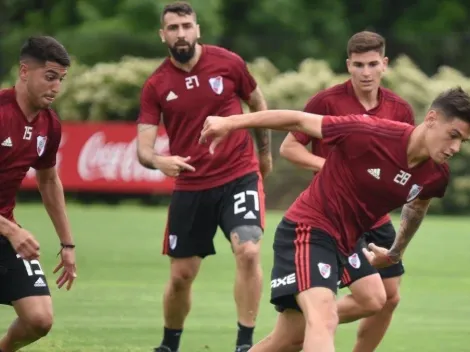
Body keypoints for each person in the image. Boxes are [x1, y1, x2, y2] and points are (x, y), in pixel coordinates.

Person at [199, 86, 470, 352]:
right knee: (324, 318)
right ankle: (317, 314)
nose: (455, 147)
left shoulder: (436, 175)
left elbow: (417, 206)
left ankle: (313, 315)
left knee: (290, 339)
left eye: (463, 141)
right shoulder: (370, 132)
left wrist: (396, 251)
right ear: (432, 119)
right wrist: (230, 122)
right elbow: (298, 120)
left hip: (345, 242)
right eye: (453, 135)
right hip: (307, 229)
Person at [136, 2, 272, 352]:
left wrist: (265, 153)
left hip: (239, 175)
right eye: (173, 28)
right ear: (162, 34)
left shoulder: (229, 63)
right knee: (181, 276)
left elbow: (258, 105)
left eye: (186, 25)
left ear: (197, 29)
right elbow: (144, 150)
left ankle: (245, 344)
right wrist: (159, 162)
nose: (180, 33)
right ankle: (169, 345)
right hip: (192, 185)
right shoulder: (156, 84)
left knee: (249, 251)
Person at [279, 31, 414, 352]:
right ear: (348, 65)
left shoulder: (400, 109)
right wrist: (330, 167)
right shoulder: (327, 102)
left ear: (384, 64)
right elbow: (288, 148)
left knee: (390, 297)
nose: (365, 73)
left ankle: (317, 324)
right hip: (335, 213)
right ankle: (312, 325)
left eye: (371, 64)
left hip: (375, 216)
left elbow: (405, 161)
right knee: (370, 298)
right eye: (358, 65)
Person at [0, 36, 77, 352]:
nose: (56, 87)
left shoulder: (50, 125)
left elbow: (48, 181)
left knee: (39, 319)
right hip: (6, 228)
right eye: (49, 77)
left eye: (60, 79)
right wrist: (10, 230)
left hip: (4, 229)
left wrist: (67, 243)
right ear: (23, 71)